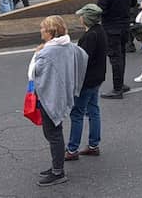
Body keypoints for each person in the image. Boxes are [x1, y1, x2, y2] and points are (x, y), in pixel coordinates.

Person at [30, 15, 88, 187]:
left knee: (53, 134)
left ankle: (58, 171)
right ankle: (56, 166)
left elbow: (34, 73)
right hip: (61, 94)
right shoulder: (69, 46)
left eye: (43, 28)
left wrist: (37, 54)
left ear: (51, 32)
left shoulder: (47, 52)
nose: (41, 31)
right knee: (54, 132)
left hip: (50, 96)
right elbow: (82, 56)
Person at [65, 4, 107, 162]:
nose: (80, 18)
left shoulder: (90, 36)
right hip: (97, 78)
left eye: (82, 15)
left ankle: (72, 148)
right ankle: (94, 145)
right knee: (93, 110)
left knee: (77, 114)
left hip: (86, 81)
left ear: (87, 19)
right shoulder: (100, 31)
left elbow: (82, 60)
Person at [98, 0, 137, 99]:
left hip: (111, 28)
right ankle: (121, 84)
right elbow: (133, 4)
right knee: (122, 55)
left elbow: (100, 9)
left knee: (115, 58)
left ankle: (117, 89)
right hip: (125, 26)